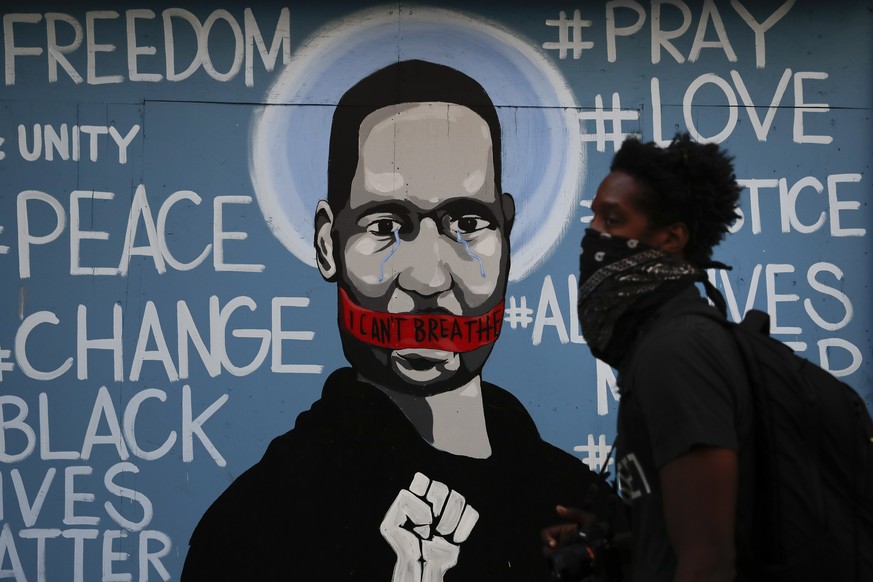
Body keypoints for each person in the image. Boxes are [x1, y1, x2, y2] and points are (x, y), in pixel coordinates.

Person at [182, 60, 623, 581]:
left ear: (506, 232)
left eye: (467, 223)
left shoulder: (570, 502)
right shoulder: (263, 521)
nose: (429, 278)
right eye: (387, 225)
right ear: (329, 245)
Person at [544, 134, 752, 582]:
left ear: (671, 238)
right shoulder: (660, 340)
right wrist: (615, 547)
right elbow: (683, 537)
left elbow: (708, 563)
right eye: (594, 216)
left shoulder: (679, 350)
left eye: (613, 219)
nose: (593, 234)